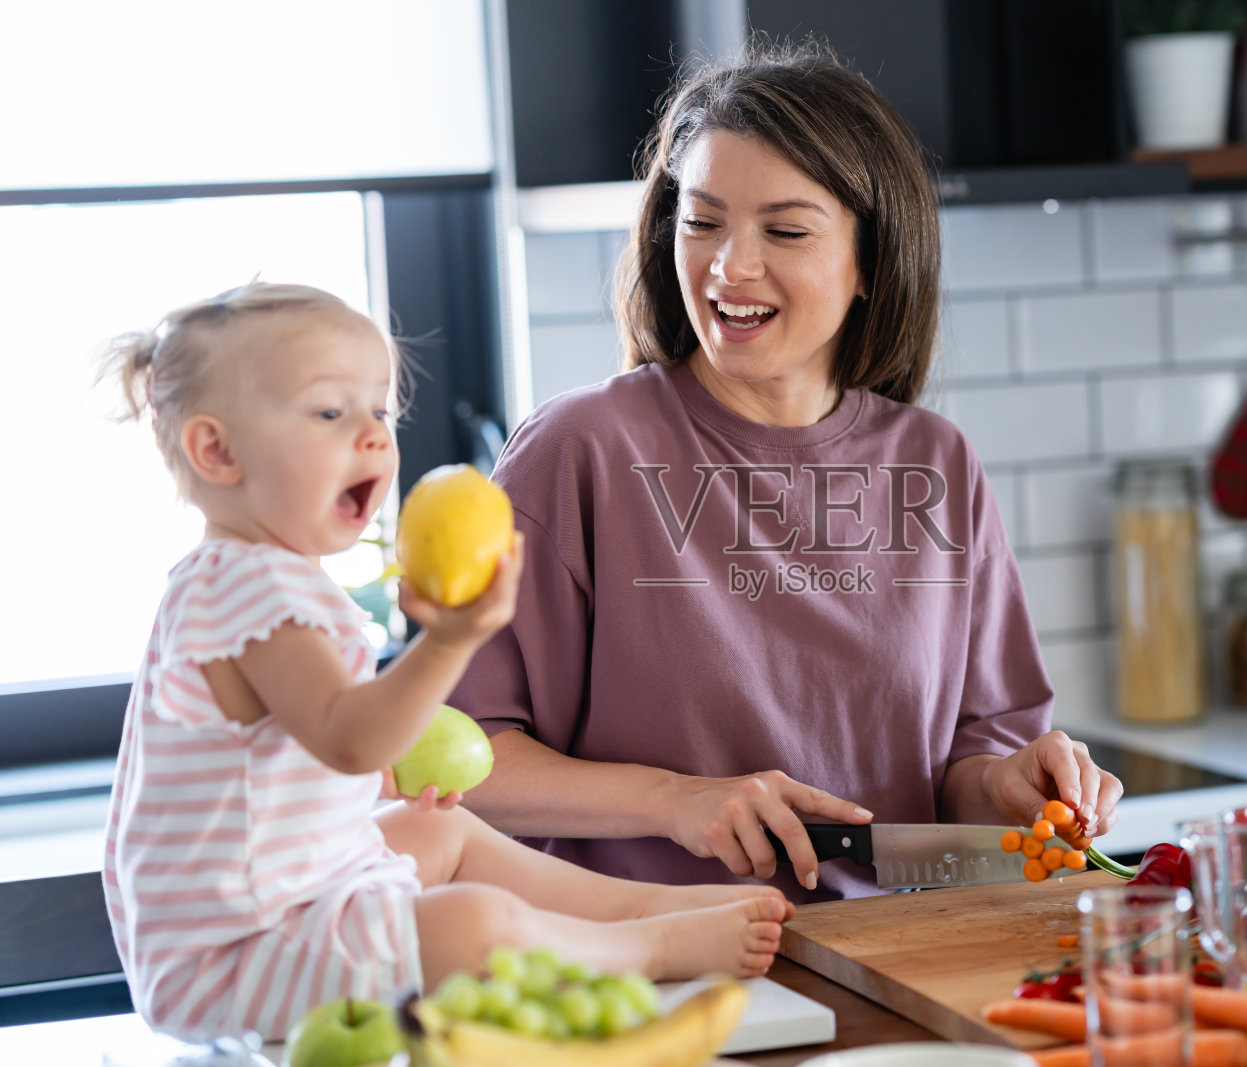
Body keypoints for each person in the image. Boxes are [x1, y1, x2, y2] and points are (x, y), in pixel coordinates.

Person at [451, 40, 1125, 904]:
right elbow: (461, 759)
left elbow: (967, 768)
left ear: (871, 265)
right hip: (655, 969)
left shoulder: (935, 464)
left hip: (889, 965)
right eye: (702, 221)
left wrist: (1011, 786)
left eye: (785, 229)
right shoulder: (581, 451)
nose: (731, 265)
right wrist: (674, 801)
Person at [98, 282, 792, 1043]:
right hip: (234, 959)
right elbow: (350, 735)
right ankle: (649, 944)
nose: (373, 437)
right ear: (217, 450)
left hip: (283, 901)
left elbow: (296, 763)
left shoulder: (250, 578)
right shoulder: (249, 587)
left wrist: (387, 777)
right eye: (332, 412)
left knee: (441, 832)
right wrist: (452, 638)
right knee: (470, 921)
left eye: (380, 411)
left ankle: (646, 903)